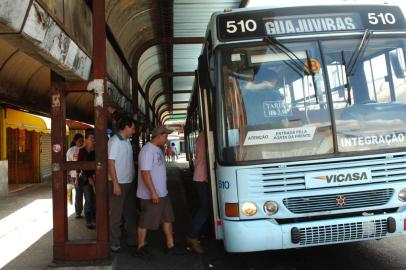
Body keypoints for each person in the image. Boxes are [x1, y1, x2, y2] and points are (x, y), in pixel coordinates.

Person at [135, 126, 183, 258]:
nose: (167, 139)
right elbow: (145, 173)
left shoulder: (158, 149)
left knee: (168, 219)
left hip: (163, 193)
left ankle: (170, 245)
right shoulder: (147, 151)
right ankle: (140, 247)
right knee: (145, 221)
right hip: (151, 195)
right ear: (158, 135)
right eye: (165, 136)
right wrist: (153, 192)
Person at [108, 116, 137, 252]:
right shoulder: (114, 141)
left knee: (130, 212)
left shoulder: (126, 141)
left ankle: (133, 239)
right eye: (133, 127)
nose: (134, 130)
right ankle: (114, 242)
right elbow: (110, 163)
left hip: (129, 182)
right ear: (126, 127)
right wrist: (115, 183)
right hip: (119, 183)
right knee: (116, 214)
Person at [186, 131, 209, 254]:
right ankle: (193, 236)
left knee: (206, 207)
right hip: (202, 177)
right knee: (205, 207)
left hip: (202, 176)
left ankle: (198, 233)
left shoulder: (202, 134)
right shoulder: (205, 134)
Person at [77, 129, 96, 229]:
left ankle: (95, 218)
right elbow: (80, 166)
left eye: (94, 138)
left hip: (96, 178)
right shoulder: (82, 151)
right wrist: (89, 177)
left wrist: (94, 177)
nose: (93, 140)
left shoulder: (98, 151)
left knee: (96, 199)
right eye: (91, 138)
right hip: (85, 179)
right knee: (89, 199)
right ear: (86, 140)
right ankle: (89, 220)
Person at [66, 133, 84, 218]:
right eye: (80, 140)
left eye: (82, 140)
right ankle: (78, 212)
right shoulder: (71, 150)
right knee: (79, 193)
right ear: (75, 141)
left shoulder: (85, 149)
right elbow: (68, 163)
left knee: (87, 194)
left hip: (85, 175)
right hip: (74, 175)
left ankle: (88, 211)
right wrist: (68, 176)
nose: (82, 142)